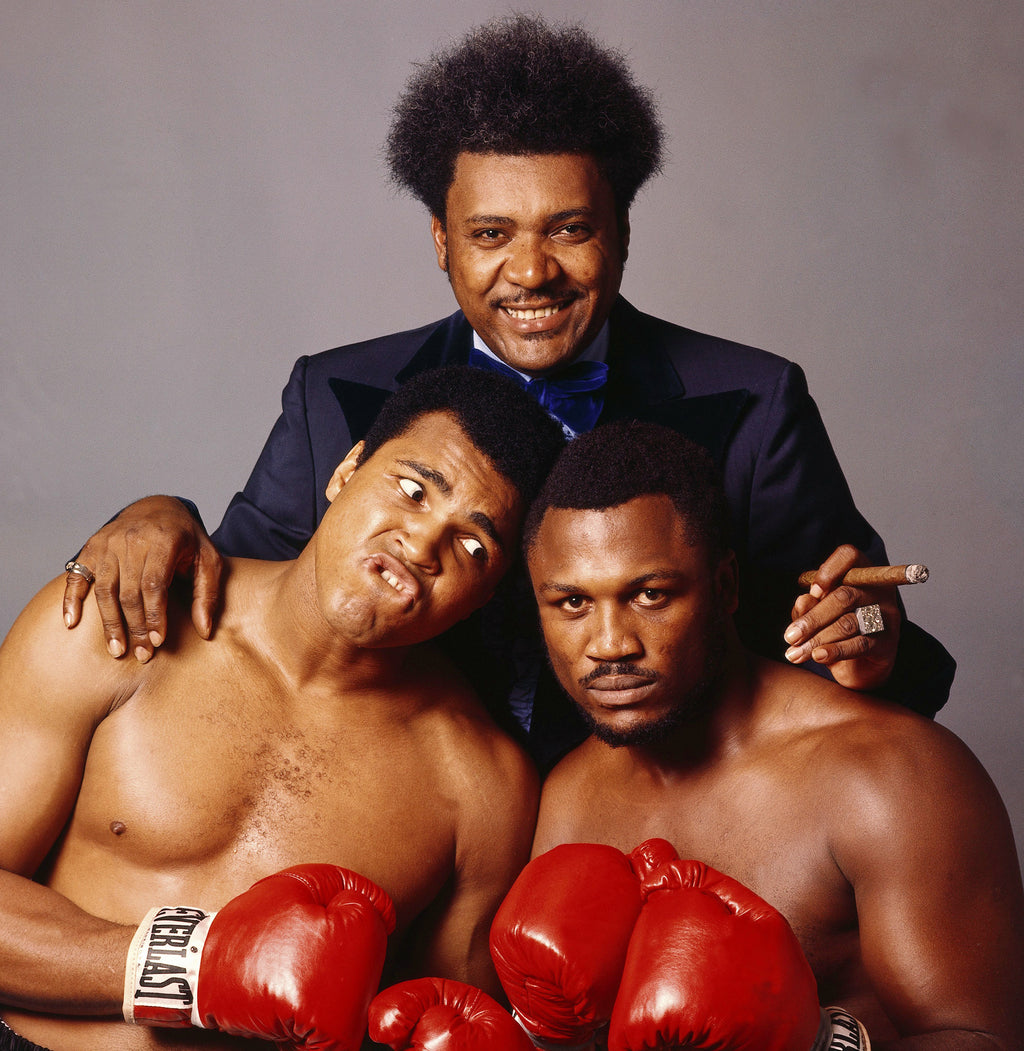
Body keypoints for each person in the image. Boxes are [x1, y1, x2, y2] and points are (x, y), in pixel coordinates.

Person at [61, 15, 953, 769]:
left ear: (622, 232)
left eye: (569, 229)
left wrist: (872, 642)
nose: (531, 271)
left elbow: (887, 654)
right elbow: (236, 610)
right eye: (492, 233)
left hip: (657, 840)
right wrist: (162, 512)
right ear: (443, 242)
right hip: (408, 836)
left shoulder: (756, 402)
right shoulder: (334, 394)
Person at [0, 367, 565, 1051]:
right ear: (347, 470)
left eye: (473, 546)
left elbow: (440, 1020)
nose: (420, 546)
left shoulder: (483, 791)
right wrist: (197, 967)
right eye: (412, 491)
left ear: (489, 594)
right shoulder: (121, 622)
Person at [497, 420, 1021, 1049]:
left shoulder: (889, 773)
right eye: (572, 604)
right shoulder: (567, 796)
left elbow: (980, 1037)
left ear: (725, 587)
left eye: (651, 594)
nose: (610, 645)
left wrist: (815, 1040)